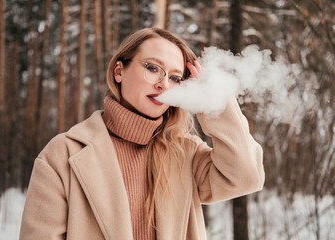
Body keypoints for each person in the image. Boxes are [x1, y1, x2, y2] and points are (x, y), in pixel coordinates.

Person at [19, 27, 264, 240]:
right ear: (119, 71)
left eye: (176, 77)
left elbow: (246, 177)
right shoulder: (62, 155)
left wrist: (215, 100)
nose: (163, 84)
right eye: (152, 68)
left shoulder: (185, 153)